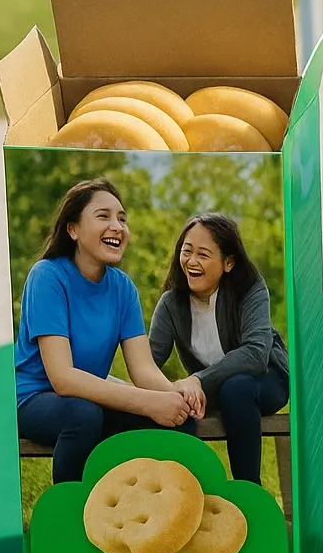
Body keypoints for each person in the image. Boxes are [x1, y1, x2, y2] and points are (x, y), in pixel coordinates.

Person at [15, 179, 198, 483]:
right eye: (103, 216)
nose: (117, 226)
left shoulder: (123, 287)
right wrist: (147, 402)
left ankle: (163, 514)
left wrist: (175, 395)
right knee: (83, 416)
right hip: (35, 397)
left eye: (122, 219)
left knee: (179, 420)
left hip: (89, 395)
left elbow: (142, 370)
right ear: (73, 230)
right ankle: (68, 517)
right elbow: (63, 378)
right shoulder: (47, 277)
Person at [149, 213, 290, 485]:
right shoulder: (171, 303)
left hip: (266, 380)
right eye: (186, 251)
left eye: (203, 254)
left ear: (228, 262)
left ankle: (249, 491)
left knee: (235, 388)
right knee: (177, 401)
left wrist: (197, 379)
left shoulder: (249, 289)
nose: (191, 261)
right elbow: (148, 361)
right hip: (210, 391)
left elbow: (256, 354)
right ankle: (188, 494)